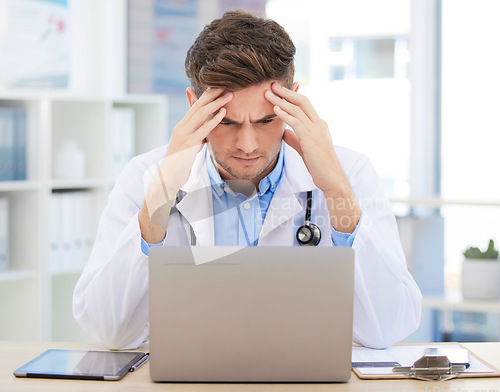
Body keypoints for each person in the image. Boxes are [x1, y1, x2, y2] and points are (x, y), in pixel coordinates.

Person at [73, 10, 422, 350]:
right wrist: (163, 194)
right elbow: (108, 330)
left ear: (294, 102)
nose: (247, 145)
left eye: (266, 120)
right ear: (194, 105)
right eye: (227, 122)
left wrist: (335, 190)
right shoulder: (148, 177)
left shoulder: (350, 173)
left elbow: (390, 326)